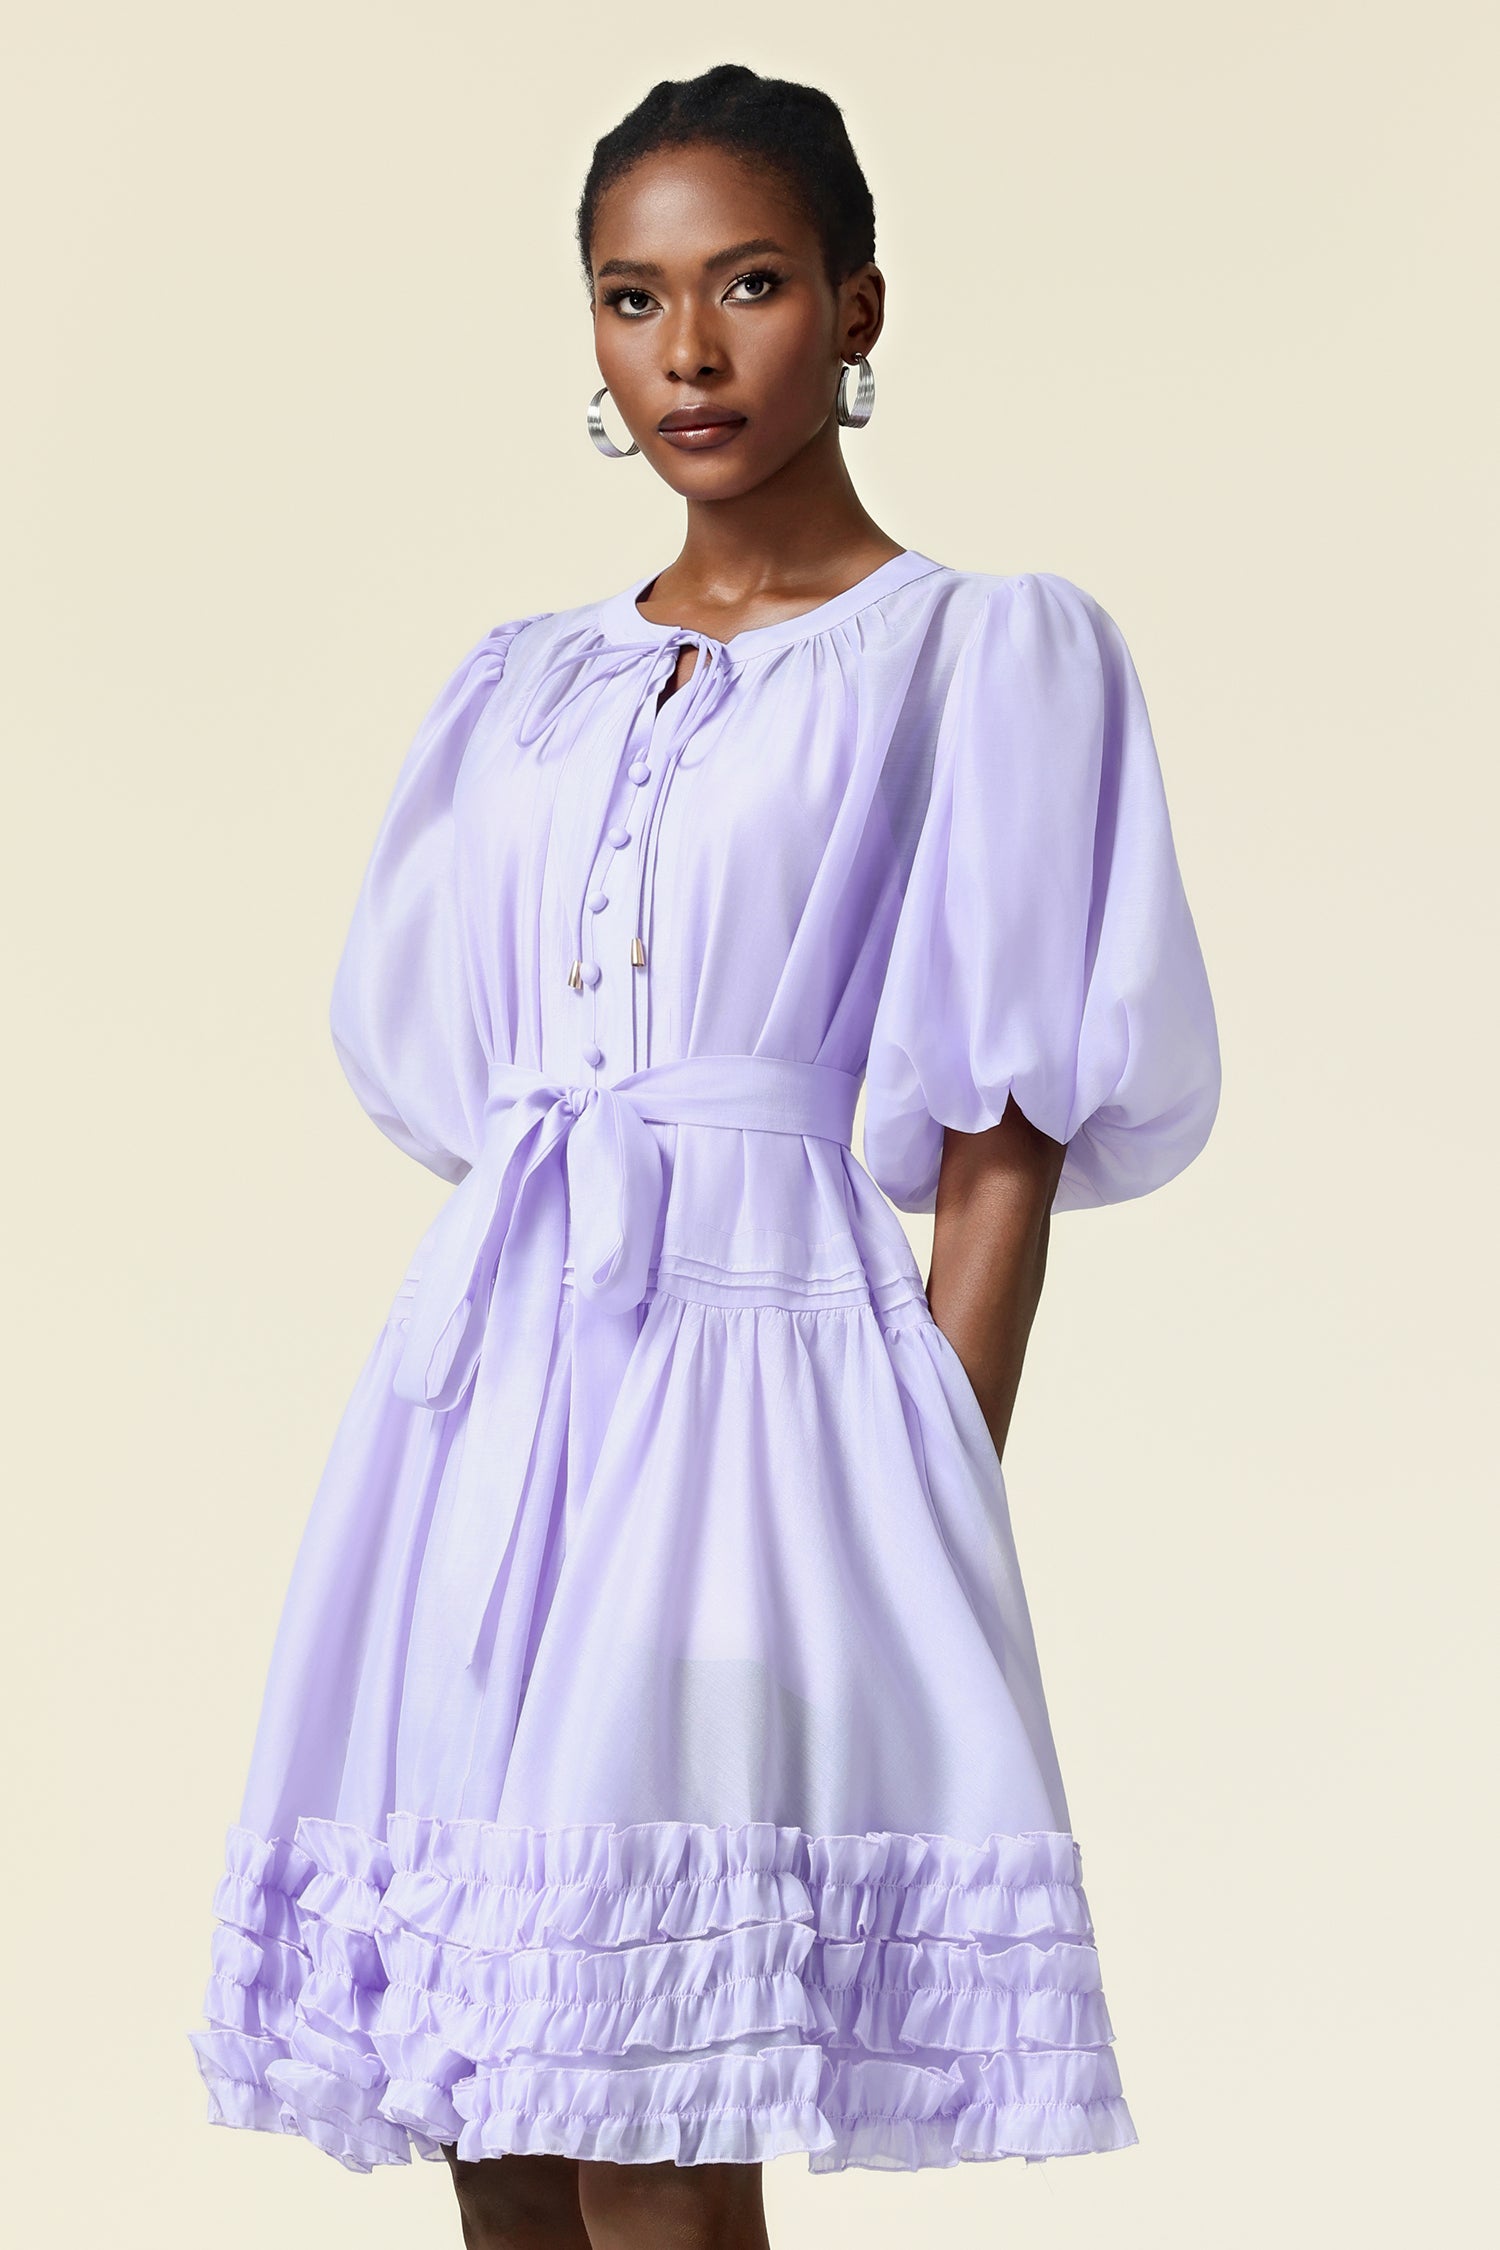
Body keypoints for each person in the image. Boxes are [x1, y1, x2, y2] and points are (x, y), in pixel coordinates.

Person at [189, 61, 1221, 2250]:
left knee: (653, 2102)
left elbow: (1004, 1133)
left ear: (856, 306)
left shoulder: (980, 655)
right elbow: (458, 1077)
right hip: (493, 1412)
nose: (687, 351)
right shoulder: (517, 687)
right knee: (489, 2096)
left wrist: (920, 1473)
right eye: (632, 296)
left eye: (747, 285)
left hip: (767, 1418)